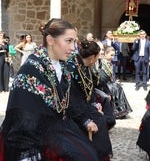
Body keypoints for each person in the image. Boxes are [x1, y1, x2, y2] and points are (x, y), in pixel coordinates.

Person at [0, 18, 99, 160]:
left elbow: (67, 103)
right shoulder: (31, 69)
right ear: (51, 40)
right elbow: (22, 119)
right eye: (68, 41)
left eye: (73, 42)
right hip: (35, 138)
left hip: (58, 130)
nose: (73, 48)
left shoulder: (63, 67)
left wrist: (85, 120)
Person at [68, 39, 113, 160]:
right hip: (75, 109)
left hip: (85, 104)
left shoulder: (86, 67)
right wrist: (86, 120)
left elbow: (90, 88)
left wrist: (95, 103)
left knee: (103, 115)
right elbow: (72, 98)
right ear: (92, 57)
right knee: (99, 120)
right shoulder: (73, 68)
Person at [96, 46, 132, 119]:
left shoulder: (109, 63)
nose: (112, 57)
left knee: (118, 87)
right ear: (106, 54)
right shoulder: (102, 63)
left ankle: (120, 110)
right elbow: (103, 78)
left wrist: (115, 81)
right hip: (103, 84)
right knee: (115, 88)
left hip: (108, 82)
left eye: (113, 55)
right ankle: (116, 111)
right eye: (111, 55)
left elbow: (111, 76)